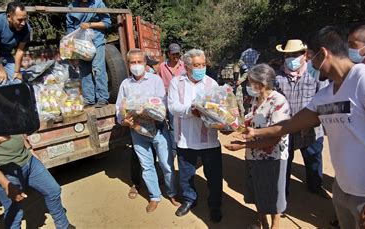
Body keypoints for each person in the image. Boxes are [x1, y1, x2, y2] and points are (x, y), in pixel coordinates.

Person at [227, 26, 365, 229]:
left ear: (323, 53)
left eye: (310, 57)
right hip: (343, 192)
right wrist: (255, 132)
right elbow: (289, 125)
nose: (310, 63)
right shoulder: (326, 95)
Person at [0, 50, 74, 229]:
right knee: (14, 215)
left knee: (53, 190)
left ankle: (63, 226)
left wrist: (29, 148)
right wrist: (5, 183)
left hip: (28, 161)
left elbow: (17, 125)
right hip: (5, 170)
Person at [224, 64, 290, 229]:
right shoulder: (255, 100)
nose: (249, 86)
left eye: (251, 82)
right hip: (253, 155)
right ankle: (263, 222)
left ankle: (275, 225)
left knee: (273, 195)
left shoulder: (278, 102)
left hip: (272, 158)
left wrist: (242, 145)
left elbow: (274, 139)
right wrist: (233, 127)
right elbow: (251, 124)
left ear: (263, 84)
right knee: (257, 192)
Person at [115, 49, 179, 213]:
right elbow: (119, 108)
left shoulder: (156, 81)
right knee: (147, 165)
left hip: (158, 130)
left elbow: (162, 106)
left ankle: (172, 193)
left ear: (145, 63)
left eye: (139, 62)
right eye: (132, 62)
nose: (136, 65)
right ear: (128, 64)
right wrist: (123, 120)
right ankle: (154, 196)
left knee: (166, 164)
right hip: (137, 132)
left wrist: (149, 111)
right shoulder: (125, 84)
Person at [168, 49, 223, 222]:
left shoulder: (212, 83)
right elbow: (172, 107)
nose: (201, 68)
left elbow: (219, 108)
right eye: (196, 65)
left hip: (209, 140)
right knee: (185, 174)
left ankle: (215, 205)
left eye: (203, 64)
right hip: (185, 138)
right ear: (186, 66)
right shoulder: (177, 82)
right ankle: (190, 200)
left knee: (214, 176)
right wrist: (191, 110)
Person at [274, 39, 329, 198]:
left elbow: (323, 100)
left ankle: (315, 186)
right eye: (288, 55)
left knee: (314, 159)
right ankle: (283, 192)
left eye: (295, 54)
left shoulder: (317, 74)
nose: (291, 58)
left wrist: (311, 122)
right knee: (285, 160)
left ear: (305, 55)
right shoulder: (278, 77)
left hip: (311, 128)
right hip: (286, 127)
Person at [66, 0, 112, 107]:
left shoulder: (98, 4)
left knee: (98, 69)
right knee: (84, 71)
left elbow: (107, 23)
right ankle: (89, 99)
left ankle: (102, 98)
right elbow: (70, 29)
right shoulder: (71, 7)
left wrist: (90, 25)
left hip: (96, 42)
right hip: (81, 44)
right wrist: (72, 46)